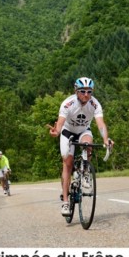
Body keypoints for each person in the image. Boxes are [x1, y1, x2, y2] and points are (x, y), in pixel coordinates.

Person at [48, 77, 114, 216]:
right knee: (68, 163)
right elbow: (60, 124)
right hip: (67, 132)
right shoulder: (68, 103)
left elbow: (101, 124)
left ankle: (85, 173)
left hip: (84, 130)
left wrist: (105, 139)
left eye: (89, 91)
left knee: (88, 144)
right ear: (76, 91)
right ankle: (65, 202)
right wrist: (56, 132)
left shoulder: (95, 104)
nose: (86, 94)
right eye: (82, 91)